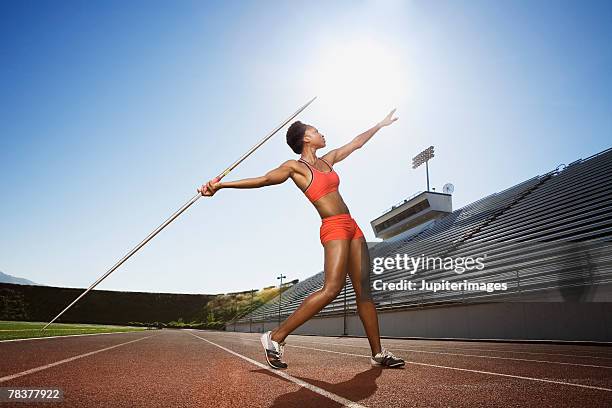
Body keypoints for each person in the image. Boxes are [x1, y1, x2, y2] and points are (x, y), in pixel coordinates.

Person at [198, 108, 405, 369]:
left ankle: (377, 353)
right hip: (333, 228)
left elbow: (356, 143)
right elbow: (263, 179)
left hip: (353, 227)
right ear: (306, 138)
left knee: (364, 291)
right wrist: (220, 186)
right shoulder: (295, 167)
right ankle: (275, 337)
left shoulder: (328, 160)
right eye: (316, 130)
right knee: (331, 289)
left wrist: (380, 124)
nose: (321, 133)